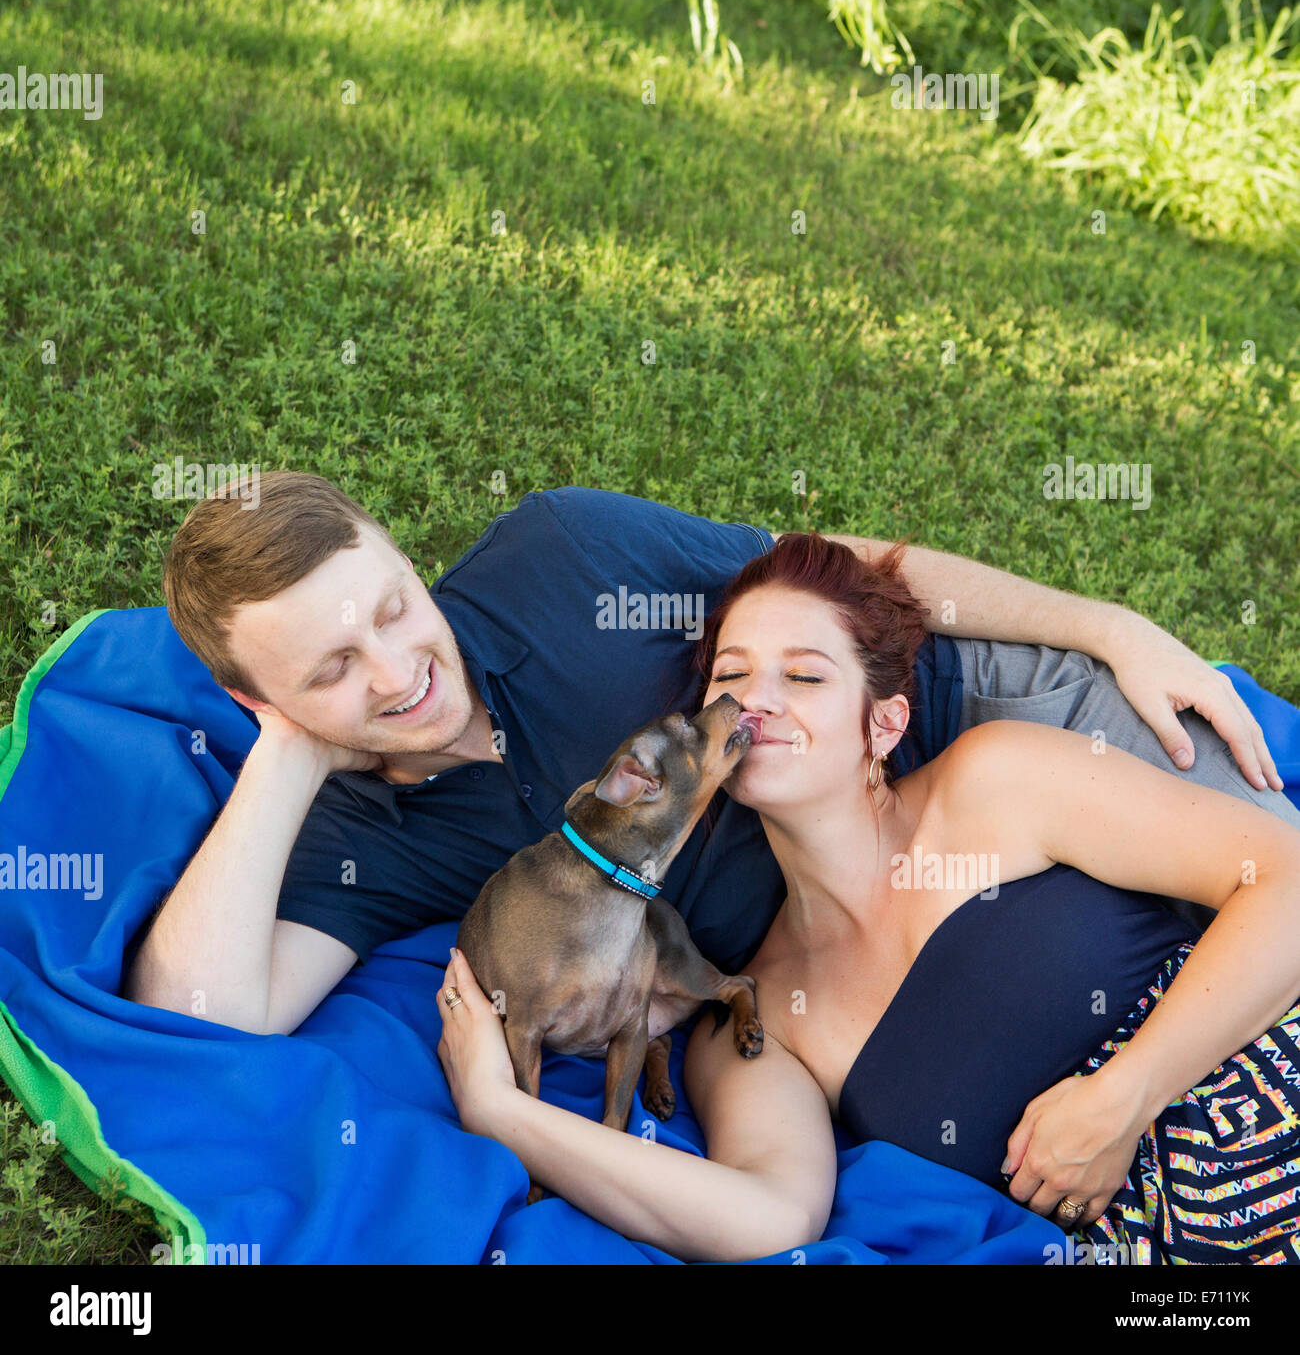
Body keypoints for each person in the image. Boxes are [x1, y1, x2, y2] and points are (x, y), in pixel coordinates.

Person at [129, 469, 1291, 1054]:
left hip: (966, 710)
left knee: (1276, 899)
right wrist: (285, 758)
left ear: (397, 551)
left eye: (389, 607)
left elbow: (843, 579)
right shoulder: (358, 843)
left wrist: (1106, 628)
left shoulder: (563, 553)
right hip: (880, 906)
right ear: (255, 699)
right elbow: (197, 1023)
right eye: (327, 672)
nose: (395, 675)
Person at [436, 533, 1300, 1263]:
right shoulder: (761, 1009)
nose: (758, 701)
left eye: (805, 678)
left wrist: (1127, 1094)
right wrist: (502, 1110)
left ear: (883, 725)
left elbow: (1285, 878)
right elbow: (768, 1215)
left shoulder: (997, 782)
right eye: (731, 676)